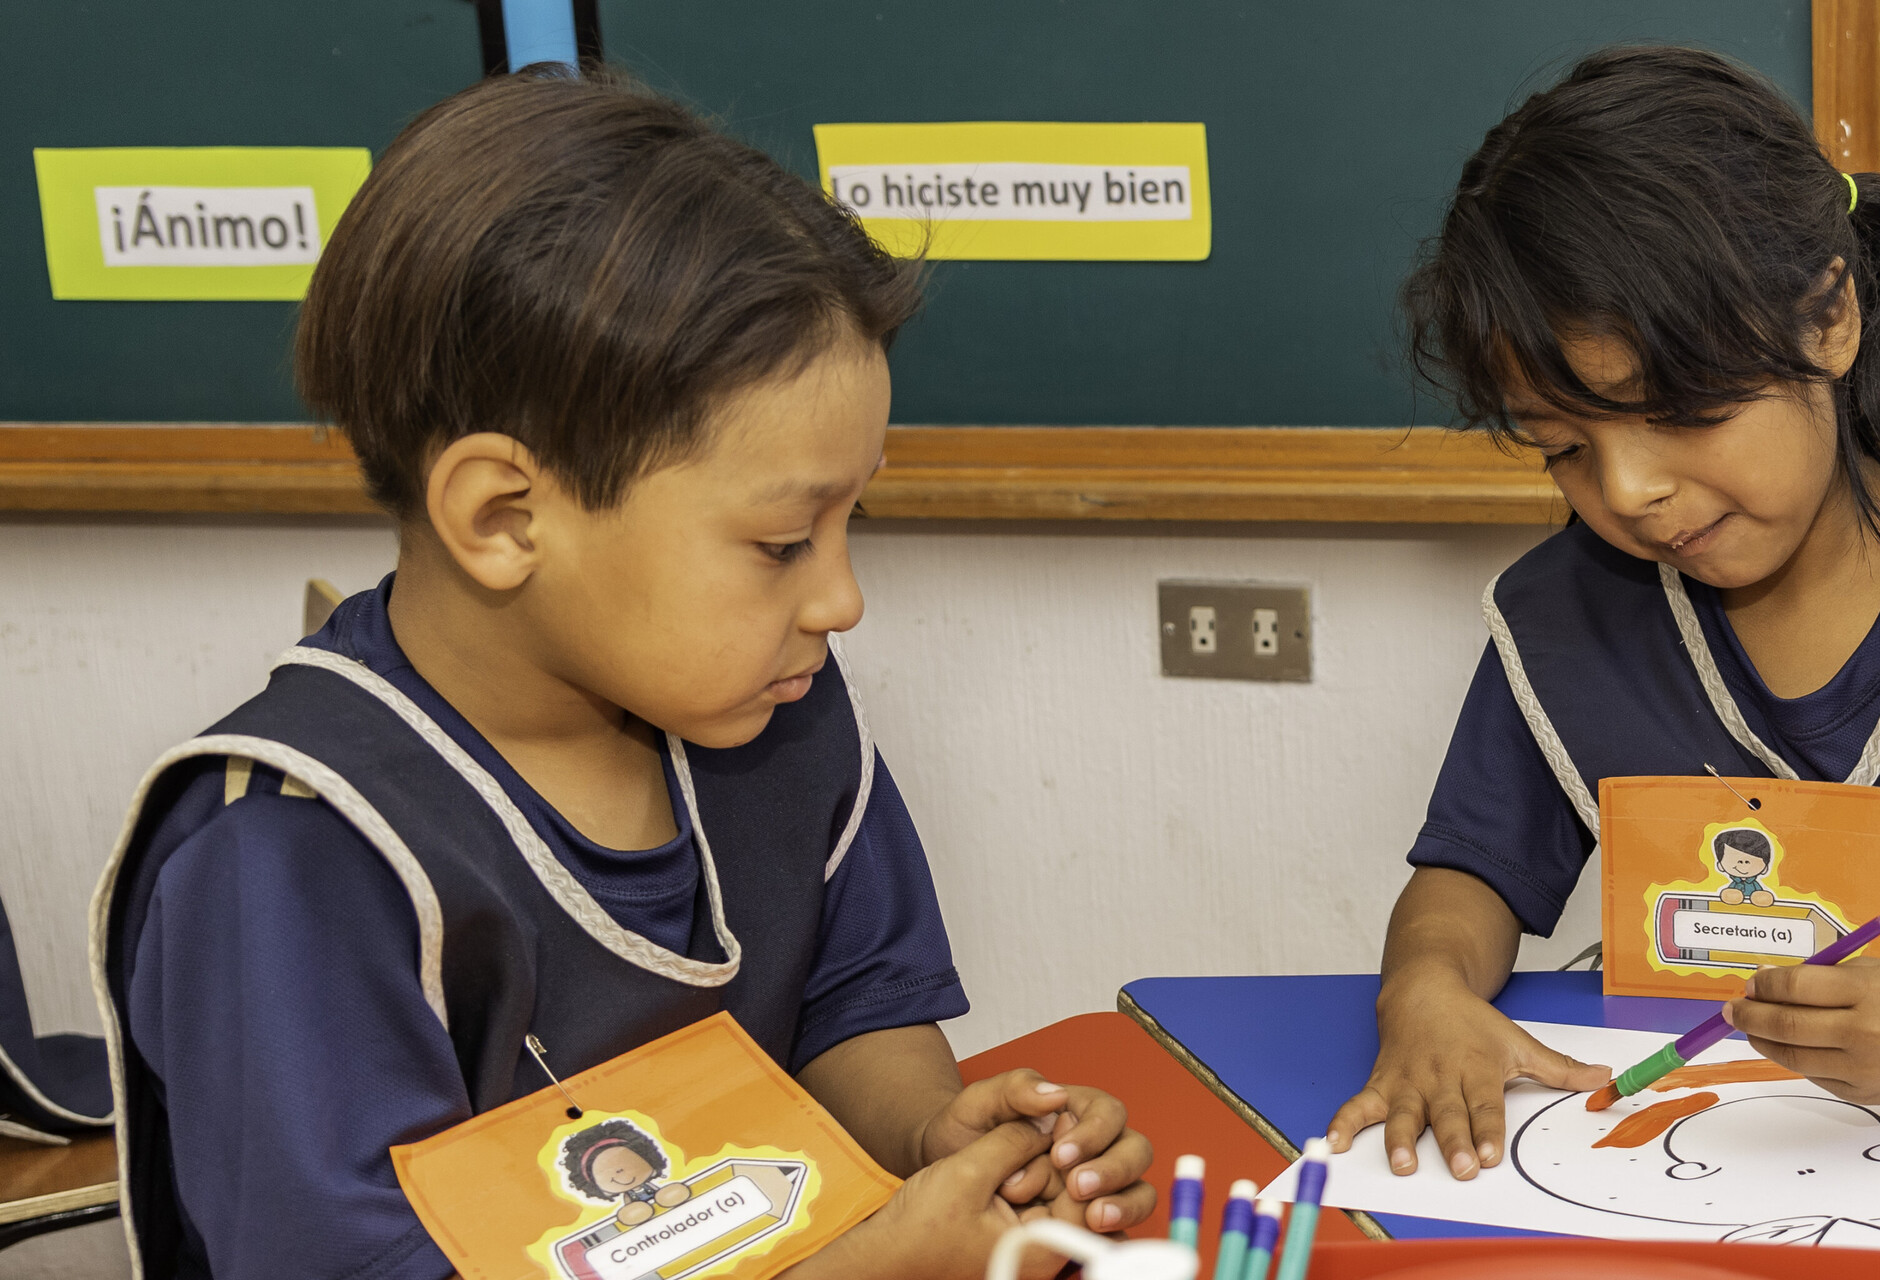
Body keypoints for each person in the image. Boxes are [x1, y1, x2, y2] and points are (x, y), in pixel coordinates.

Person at [95, 69, 1151, 1280]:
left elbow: (853, 1008)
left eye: (854, 520)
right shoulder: (290, 854)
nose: (839, 599)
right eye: (780, 542)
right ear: (503, 518)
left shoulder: (774, 704)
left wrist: (933, 1138)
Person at [1326, 45, 1880, 1181]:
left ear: (1828, 318)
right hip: (1692, 1148)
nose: (1626, 491)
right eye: (1564, 448)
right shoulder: (1569, 611)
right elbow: (1472, 877)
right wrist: (1426, 989)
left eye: (1674, 411)